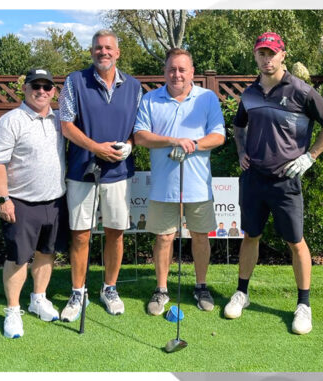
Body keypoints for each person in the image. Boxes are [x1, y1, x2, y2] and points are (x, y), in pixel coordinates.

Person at [227, 32, 323, 335]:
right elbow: (239, 127)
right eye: (261, 53)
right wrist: (241, 152)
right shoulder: (250, 93)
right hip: (254, 179)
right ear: (256, 56)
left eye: (272, 53)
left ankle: (304, 305)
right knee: (251, 235)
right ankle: (242, 293)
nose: (267, 59)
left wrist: (311, 157)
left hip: (285, 181)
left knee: (295, 242)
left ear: (282, 55)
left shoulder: (301, 91)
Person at [134, 48, 225, 315]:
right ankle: (161, 289)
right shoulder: (151, 99)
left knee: (199, 236)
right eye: (172, 69)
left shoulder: (207, 98)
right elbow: (140, 136)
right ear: (165, 72)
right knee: (164, 238)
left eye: (182, 69)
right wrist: (173, 141)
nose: (177, 74)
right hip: (163, 185)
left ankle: (201, 286)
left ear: (192, 72)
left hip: (197, 184)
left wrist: (192, 145)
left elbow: (218, 136)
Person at [58, 29, 141, 321]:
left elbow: (137, 129)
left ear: (118, 53)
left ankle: (109, 288)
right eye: (98, 48)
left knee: (115, 233)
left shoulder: (134, 86)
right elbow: (66, 124)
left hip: (119, 172)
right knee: (80, 235)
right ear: (92, 51)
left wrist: (130, 145)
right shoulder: (74, 81)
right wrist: (95, 148)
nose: (103, 52)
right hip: (83, 171)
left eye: (108, 48)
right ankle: (78, 292)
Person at [0, 68, 68, 338]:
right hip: (20, 202)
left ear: (53, 91)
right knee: (18, 258)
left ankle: (38, 298)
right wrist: (3, 199)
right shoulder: (11, 121)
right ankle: (12, 310)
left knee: (47, 253)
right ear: (25, 88)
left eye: (47, 87)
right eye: (36, 86)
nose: (42, 91)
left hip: (55, 200)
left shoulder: (60, 121)